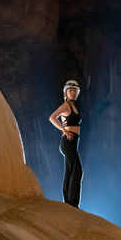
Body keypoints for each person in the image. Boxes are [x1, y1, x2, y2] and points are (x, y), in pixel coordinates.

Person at [49, 79, 83, 207]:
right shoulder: (65, 105)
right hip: (68, 141)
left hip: (73, 141)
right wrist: (64, 130)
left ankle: (68, 201)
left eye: (75, 91)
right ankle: (73, 203)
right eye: (71, 90)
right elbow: (52, 117)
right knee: (77, 170)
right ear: (65, 92)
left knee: (70, 170)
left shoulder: (73, 106)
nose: (73, 93)